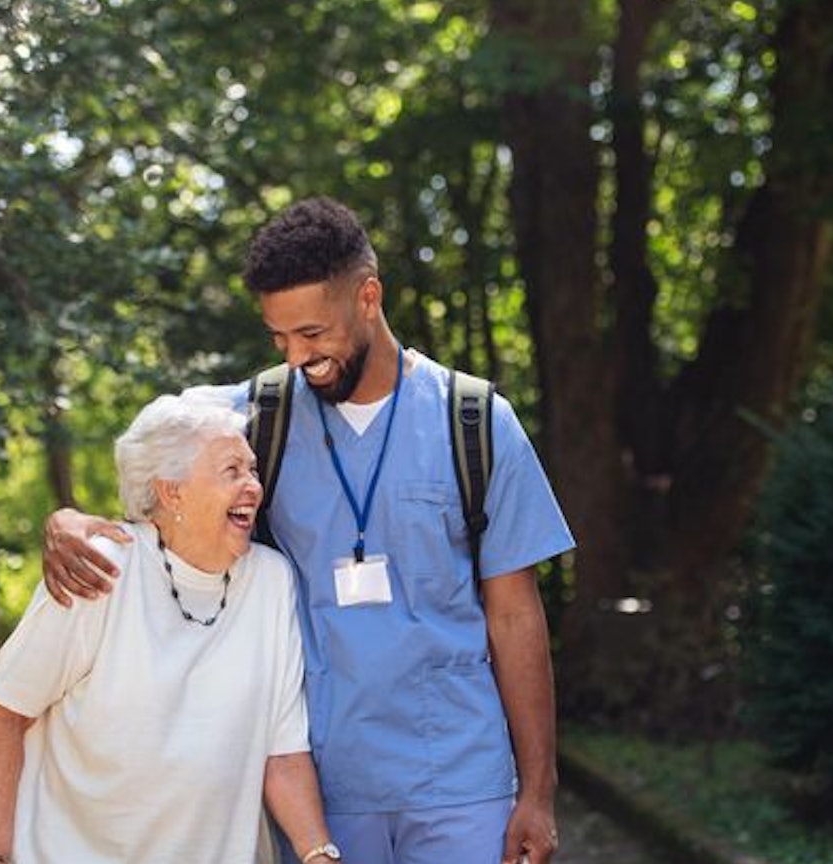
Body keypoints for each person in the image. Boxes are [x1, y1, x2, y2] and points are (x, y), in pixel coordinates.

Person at [43, 197, 574, 864]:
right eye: (280, 339)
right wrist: (67, 521)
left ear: (369, 298)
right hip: (316, 784)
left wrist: (539, 790)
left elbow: (516, 616)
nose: (298, 357)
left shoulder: (474, 423)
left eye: (313, 334)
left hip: (460, 781)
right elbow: (156, 476)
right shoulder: (254, 419)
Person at [0, 392, 345, 864]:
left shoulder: (270, 582)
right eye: (232, 471)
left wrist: (319, 853)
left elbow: (283, 752)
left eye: (252, 470)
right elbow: (4, 711)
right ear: (172, 491)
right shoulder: (99, 569)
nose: (253, 486)